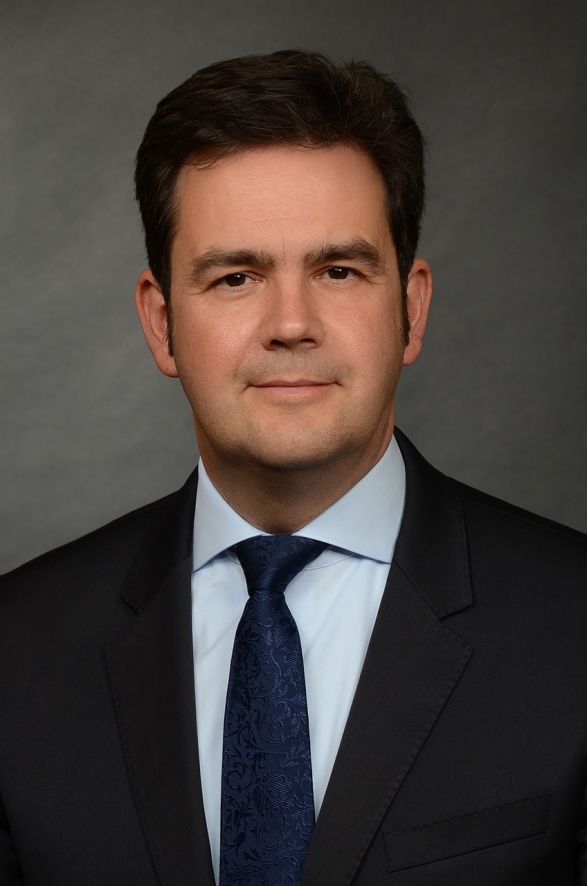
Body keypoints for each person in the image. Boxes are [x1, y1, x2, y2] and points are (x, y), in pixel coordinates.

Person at [0, 49, 585, 886]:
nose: (290, 323)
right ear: (162, 325)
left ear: (410, 309)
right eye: (236, 277)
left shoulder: (570, 626)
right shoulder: (17, 650)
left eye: (338, 271)